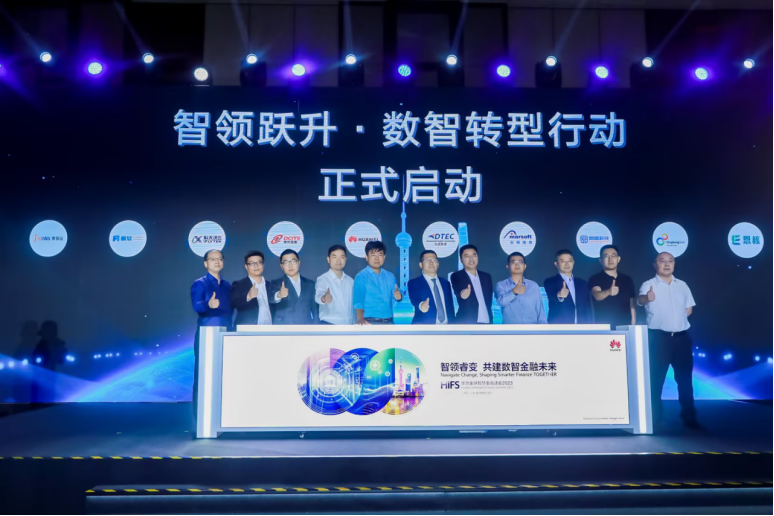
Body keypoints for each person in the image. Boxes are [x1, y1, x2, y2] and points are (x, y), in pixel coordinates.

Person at [638, 252, 699, 430]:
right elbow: (641, 300)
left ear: (674, 264)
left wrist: (676, 322)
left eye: (670, 261)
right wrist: (647, 298)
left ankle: (689, 417)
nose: (666, 264)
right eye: (662, 261)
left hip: (681, 339)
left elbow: (689, 309)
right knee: (655, 380)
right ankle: (654, 418)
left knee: (685, 380)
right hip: (659, 339)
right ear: (655, 264)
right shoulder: (648, 284)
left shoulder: (683, 285)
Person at [190, 249, 232, 416]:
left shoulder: (228, 285)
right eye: (212, 259)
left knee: (224, 374)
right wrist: (208, 304)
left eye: (220, 259)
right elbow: (196, 306)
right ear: (205, 263)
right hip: (207, 336)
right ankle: (200, 416)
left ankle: (221, 414)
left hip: (226, 335)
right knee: (204, 376)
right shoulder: (200, 283)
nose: (217, 262)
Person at [353, 241, 402, 325]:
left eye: (380, 255)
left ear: (384, 257)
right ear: (366, 257)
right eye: (373, 255)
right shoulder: (361, 276)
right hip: (369, 322)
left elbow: (397, 294)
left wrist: (399, 296)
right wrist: (360, 319)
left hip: (389, 322)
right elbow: (358, 302)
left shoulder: (390, 276)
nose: (376, 259)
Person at [589, 245, 636, 328]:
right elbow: (597, 295)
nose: (610, 259)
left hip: (624, 326)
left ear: (618, 259)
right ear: (600, 260)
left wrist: (633, 323)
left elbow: (632, 304)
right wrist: (608, 292)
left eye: (613, 256)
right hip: (604, 327)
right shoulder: (595, 278)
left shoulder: (627, 279)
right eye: (606, 257)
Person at [544, 249, 594, 324]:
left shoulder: (583, 283)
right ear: (556, 264)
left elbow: (588, 307)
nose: (567, 264)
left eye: (570, 261)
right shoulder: (550, 282)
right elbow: (552, 296)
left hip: (582, 326)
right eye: (563, 261)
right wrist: (560, 295)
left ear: (573, 262)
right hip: (559, 326)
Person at [269, 249, 319, 325]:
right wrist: (279, 295)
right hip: (283, 327)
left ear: (299, 263)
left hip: (305, 327)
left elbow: (315, 311)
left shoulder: (310, 284)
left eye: (293, 261)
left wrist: (316, 328)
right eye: (286, 262)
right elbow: (271, 299)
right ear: (281, 266)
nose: (290, 265)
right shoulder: (276, 283)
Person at [496, 252, 547, 324]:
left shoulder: (533, 285)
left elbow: (540, 312)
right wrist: (514, 292)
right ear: (507, 266)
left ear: (524, 266)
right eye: (513, 262)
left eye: (520, 262)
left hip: (532, 329)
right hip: (510, 329)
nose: (517, 265)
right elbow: (502, 302)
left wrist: (544, 328)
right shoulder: (501, 285)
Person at [408, 250, 456, 325]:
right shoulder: (414, 283)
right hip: (425, 328)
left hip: (447, 328)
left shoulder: (446, 283)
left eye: (434, 260)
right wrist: (421, 305)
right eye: (427, 260)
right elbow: (414, 299)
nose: (431, 262)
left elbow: (450, 308)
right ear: (420, 265)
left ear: (438, 264)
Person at [450, 244, 493, 324]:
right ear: (461, 260)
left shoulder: (486, 277)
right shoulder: (457, 276)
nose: (471, 259)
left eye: (474, 255)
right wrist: (462, 293)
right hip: (467, 324)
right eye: (467, 256)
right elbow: (458, 289)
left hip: (487, 324)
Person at [230, 251, 272, 327]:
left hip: (270, 328)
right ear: (246, 266)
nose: (256, 266)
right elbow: (234, 303)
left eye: (259, 262)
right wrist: (248, 296)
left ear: (263, 265)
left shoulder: (270, 285)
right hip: (247, 328)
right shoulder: (239, 284)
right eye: (252, 263)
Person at [315, 245, 355, 325]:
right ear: (328, 259)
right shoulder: (323, 279)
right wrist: (324, 298)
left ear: (345, 259)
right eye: (334, 257)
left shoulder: (351, 281)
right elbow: (319, 295)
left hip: (349, 325)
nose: (338, 260)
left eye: (342, 257)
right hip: (329, 324)